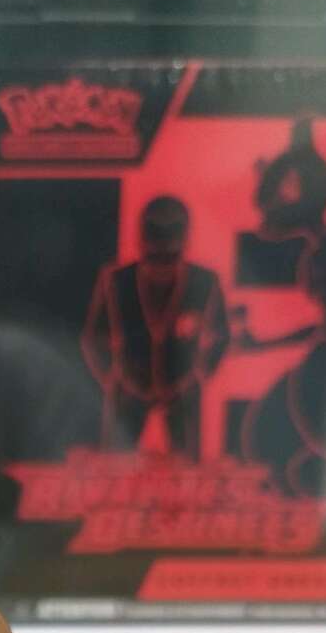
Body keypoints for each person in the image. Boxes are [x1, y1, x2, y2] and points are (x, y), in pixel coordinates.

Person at [82, 195, 229, 457]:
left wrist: (198, 375)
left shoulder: (206, 281)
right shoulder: (115, 281)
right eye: (154, 256)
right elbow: (93, 339)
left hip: (182, 392)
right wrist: (114, 377)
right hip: (129, 390)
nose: (162, 267)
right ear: (142, 243)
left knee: (189, 474)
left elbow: (222, 336)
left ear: (184, 243)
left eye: (170, 257)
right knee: (114, 469)